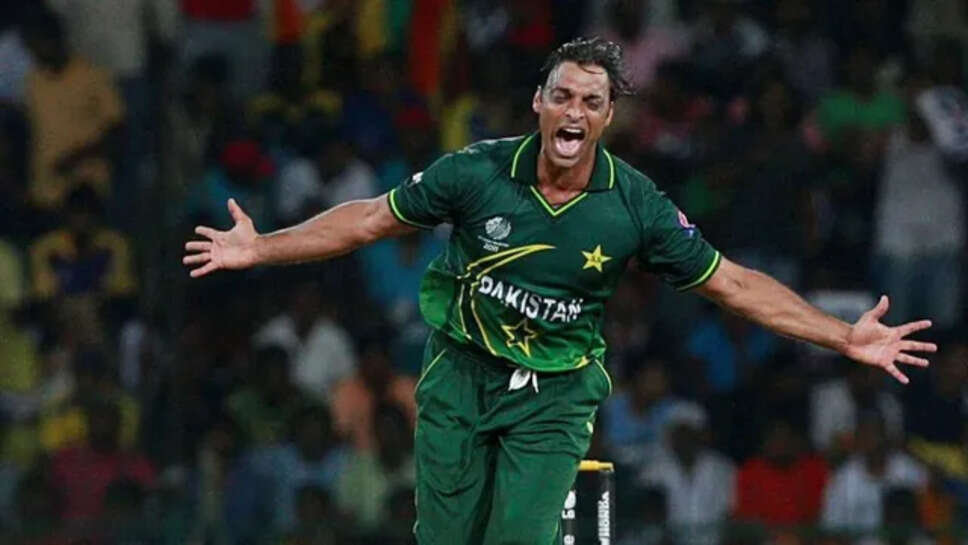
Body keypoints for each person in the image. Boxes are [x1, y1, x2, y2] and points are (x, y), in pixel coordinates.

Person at [183, 37, 937, 545]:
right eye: (562, 95)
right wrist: (262, 246)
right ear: (538, 104)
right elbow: (369, 220)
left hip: (554, 396)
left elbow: (733, 284)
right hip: (458, 378)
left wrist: (843, 335)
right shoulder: (475, 172)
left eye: (591, 101)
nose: (574, 110)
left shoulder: (635, 204)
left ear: (607, 117)